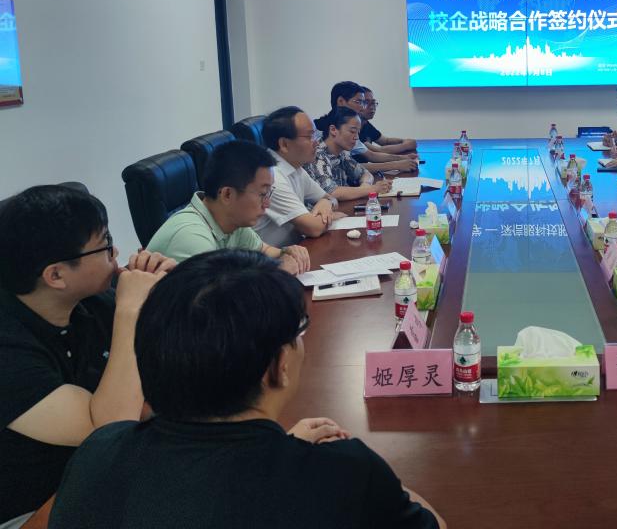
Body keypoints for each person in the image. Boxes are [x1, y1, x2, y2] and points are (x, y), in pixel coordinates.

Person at [49, 250, 445, 529]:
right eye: (299, 333)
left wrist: (277, 449)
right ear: (280, 364)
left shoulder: (98, 453)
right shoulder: (344, 474)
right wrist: (376, 482)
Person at [0, 185, 174, 527]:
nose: (116, 253)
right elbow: (108, 430)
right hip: (34, 511)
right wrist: (131, 310)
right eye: (106, 244)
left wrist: (169, 291)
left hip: (105, 474)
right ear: (56, 275)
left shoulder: (90, 303)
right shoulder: (8, 350)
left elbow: (170, 369)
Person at [146, 140, 311, 274]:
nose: (267, 204)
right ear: (227, 195)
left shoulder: (232, 222)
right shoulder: (192, 239)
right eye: (262, 194)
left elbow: (267, 252)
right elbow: (218, 300)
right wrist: (276, 271)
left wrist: (287, 252)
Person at [254, 106, 345, 248]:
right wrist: (329, 214)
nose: (316, 142)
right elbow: (314, 228)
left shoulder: (295, 166)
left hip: (297, 249)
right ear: (284, 144)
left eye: (315, 135)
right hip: (272, 258)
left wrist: (326, 203)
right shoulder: (271, 176)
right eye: (309, 137)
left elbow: (330, 198)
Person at [306, 106, 392, 201]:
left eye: (358, 132)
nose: (356, 137)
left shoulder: (342, 153)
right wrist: (372, 189)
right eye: (352, 131)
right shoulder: (318, 155)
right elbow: (332, 192)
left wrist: (365, 186)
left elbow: (365, 173)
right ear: (333, 130)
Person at [329, 81, 417, 174]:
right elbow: (347, 168)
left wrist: (403, 158)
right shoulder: (325, 129)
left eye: (364, 103)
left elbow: (368, 156)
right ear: (341, 102)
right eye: (359, 102)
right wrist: (396, 164)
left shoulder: (352, 125)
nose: (362, 107)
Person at [360, 87, 417, 154]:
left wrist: (404, 141)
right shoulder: (354, 128)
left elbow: (385, 141)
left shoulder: (366, 124)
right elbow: (377, 151)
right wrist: (405, 146)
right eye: (366, 102)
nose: (372, 107)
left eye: (373, 102)